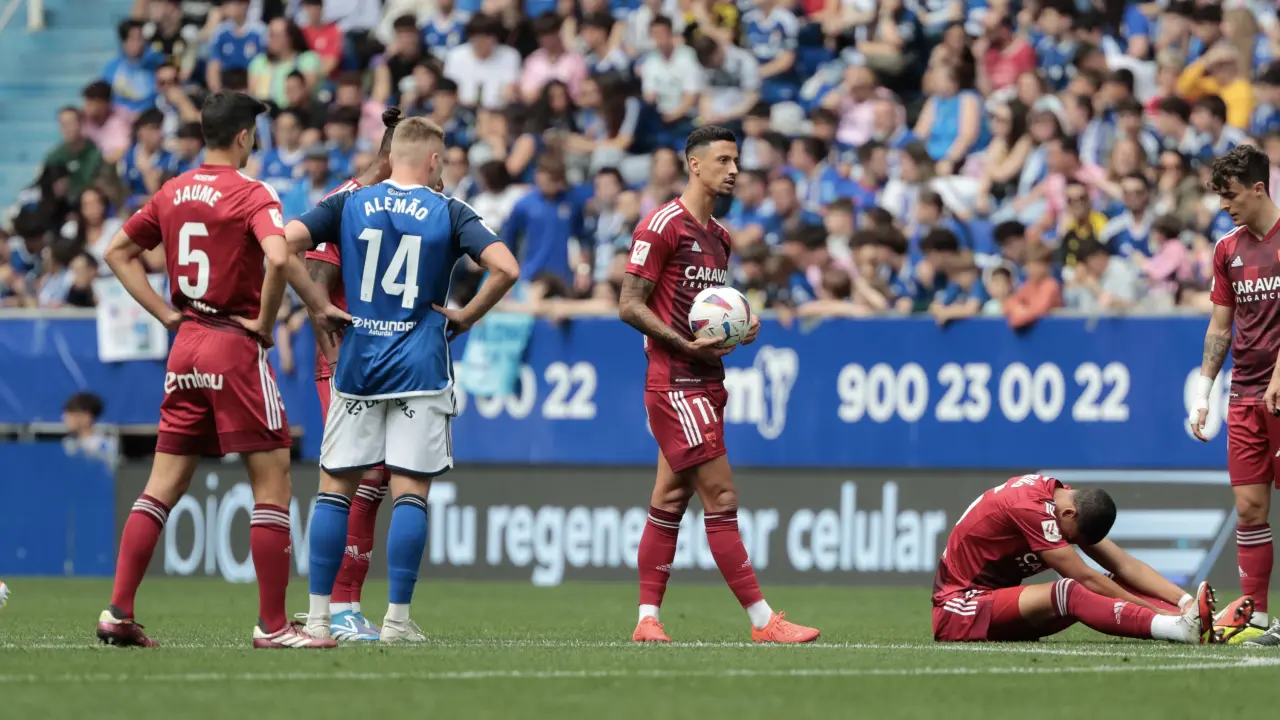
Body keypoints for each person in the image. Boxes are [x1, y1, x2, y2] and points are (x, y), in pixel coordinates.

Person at [95, 91, 349, 650]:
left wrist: (166, 314)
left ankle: (118, 611)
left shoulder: (172, 190)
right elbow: (279, 256)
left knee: (162, 484)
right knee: (273, 483)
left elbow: (116, 251)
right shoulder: (252, 192)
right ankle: (274, 626)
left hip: (185, 344)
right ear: (243, 137)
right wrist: (264, 322)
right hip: (234, 345)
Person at [291, 117, 520, 644]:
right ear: (434, 160)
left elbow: (280, 245)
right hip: (420, 368)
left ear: (392, 155)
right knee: (409, 494)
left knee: (335, 491)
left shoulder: (351, 201)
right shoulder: (450, 210)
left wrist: (318, 303)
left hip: (359, 366)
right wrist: (467, 316)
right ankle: (395, 621)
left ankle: (321, 617)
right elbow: (506, 268)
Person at [619, 125, 818, 644]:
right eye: (724, 160)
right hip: (675, 382)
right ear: (695, 164)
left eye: (737, 161)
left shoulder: (721, 238)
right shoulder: (661, 225)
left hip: (707, 379)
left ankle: (646, 620)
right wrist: (684, 345)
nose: (733, 170)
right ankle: (764, 621)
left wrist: (740, 326)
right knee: (722, 495)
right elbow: (630, 305)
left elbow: (707, 310)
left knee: (669, 499)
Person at [298, 107, 405, 642]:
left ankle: (347, 605)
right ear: (393, 158)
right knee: (358, 477)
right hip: (347, 364)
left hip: (387, 362)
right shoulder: (344, 204)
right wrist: (339, 366)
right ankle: (337, 607)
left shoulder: (404, 206)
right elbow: (316, 287)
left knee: (378, 478)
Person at [933, 473, 1236, 644]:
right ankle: (1176, 629)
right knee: (1072, 590)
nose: (1068, 543)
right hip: (958, 609)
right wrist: (1159, 612)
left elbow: (1124, 565)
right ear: (1069, 514)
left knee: (1112, 583)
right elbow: (1083, 577)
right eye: (1070, 538)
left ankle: (1195, 622)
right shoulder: (1030, 508)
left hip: (994, 603)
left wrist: (1184, 602)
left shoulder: (1068, 504)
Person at [1191, 145, 1280, 647]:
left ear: (1258, 188)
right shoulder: (1227, 248)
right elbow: (1220, 326)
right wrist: (1203, 391)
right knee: (1248, 507)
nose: (1224, 206)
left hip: (1279, 393)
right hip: (1245, 393)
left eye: (1230, 195)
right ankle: (1259, 618)